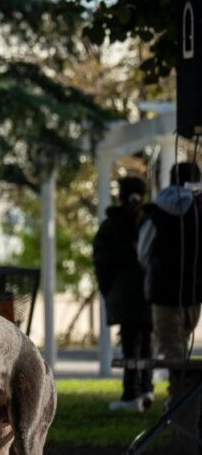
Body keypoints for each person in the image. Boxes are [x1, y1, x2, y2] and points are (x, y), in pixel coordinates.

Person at [138, 161, 202, 453]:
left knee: (174, 355)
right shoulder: (199, 209)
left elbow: (144, 250)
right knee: (182, 352)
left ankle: (180, 417)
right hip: (194, 293)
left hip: (162, 292)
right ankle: (183, 417)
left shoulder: (156, 212)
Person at [93, 175, 152, 411]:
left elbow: (101, 262)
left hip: (124, 297)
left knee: (130, 346)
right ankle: (147, 388)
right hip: (150, 294)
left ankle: (131, 393)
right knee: (148, 343)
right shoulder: (150, 221)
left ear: (120, 195)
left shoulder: (111, 225)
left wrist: (109, 290)